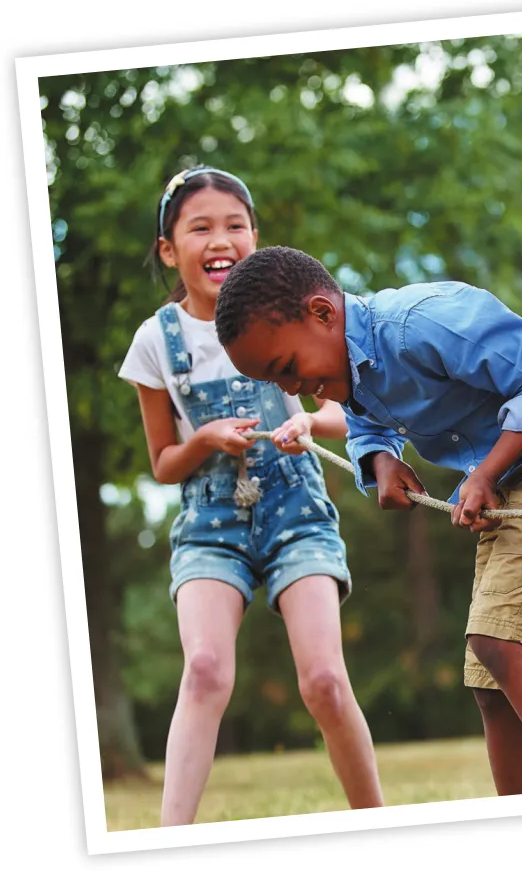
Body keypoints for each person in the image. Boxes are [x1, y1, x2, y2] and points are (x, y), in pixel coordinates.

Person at [213, 245, 522, 795]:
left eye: (287, 368)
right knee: (491, 679)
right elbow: (366, 422)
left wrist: (485, 472)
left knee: (502, 643)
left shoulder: (422, 322)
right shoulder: (352, 369)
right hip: (514, 481)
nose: (291, 389)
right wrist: (382, 462)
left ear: (322, 313)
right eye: (276, 382)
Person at [118, 166, 384, 825]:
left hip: (297, 511)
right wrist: (205, 438)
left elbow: (348, 412)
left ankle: (377, 827)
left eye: (235, 225)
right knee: (205, 670)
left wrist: (310, 423)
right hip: (211, 521)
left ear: (255, 237)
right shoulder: (157, 341)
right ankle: (168, 845)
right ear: (168, 250)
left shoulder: (293, 309)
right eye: (200, 228)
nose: (220, 239)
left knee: (324, 681)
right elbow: (163, 464)